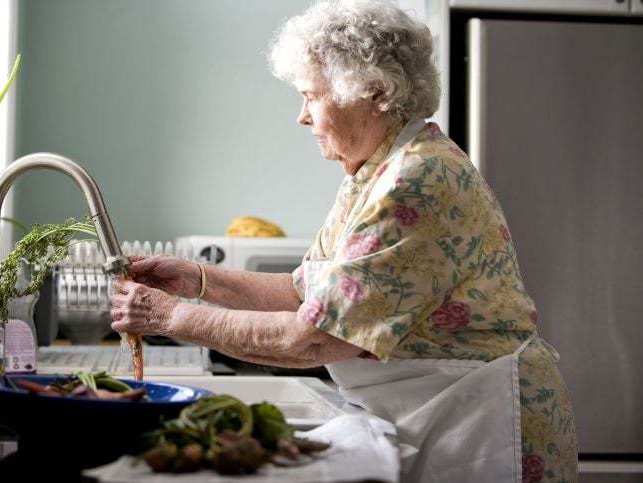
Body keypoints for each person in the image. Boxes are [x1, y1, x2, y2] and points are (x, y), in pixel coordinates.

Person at [110, 1, 577, 481]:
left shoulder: (417, 179)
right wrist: (197, 280)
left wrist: (170, 317)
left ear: (372, 91)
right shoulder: (373, 172)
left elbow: (314, 339)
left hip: (483, 424)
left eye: (311, 96)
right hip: (442, 412)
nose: (302, 117)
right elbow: (304, 293)